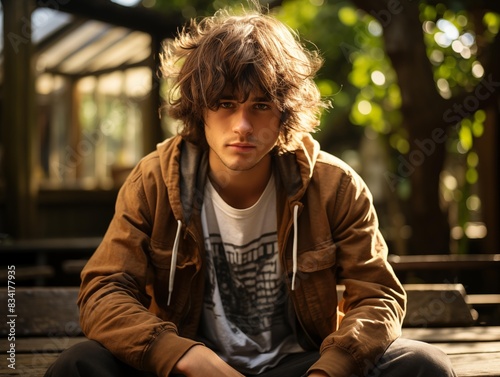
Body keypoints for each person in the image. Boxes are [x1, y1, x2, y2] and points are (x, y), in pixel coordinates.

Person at [45, 3, 457, 377]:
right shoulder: (154, 180)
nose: (242, 125)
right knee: (78, 365)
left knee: (424, 366)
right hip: (191, 367)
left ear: (284, 114)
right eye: (225, 104)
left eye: (260, 105)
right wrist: (179, 354)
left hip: (299, 364)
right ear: (198, 109)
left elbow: (378, 295)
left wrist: (330, 369)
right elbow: (103, 291)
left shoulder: (334, 185)